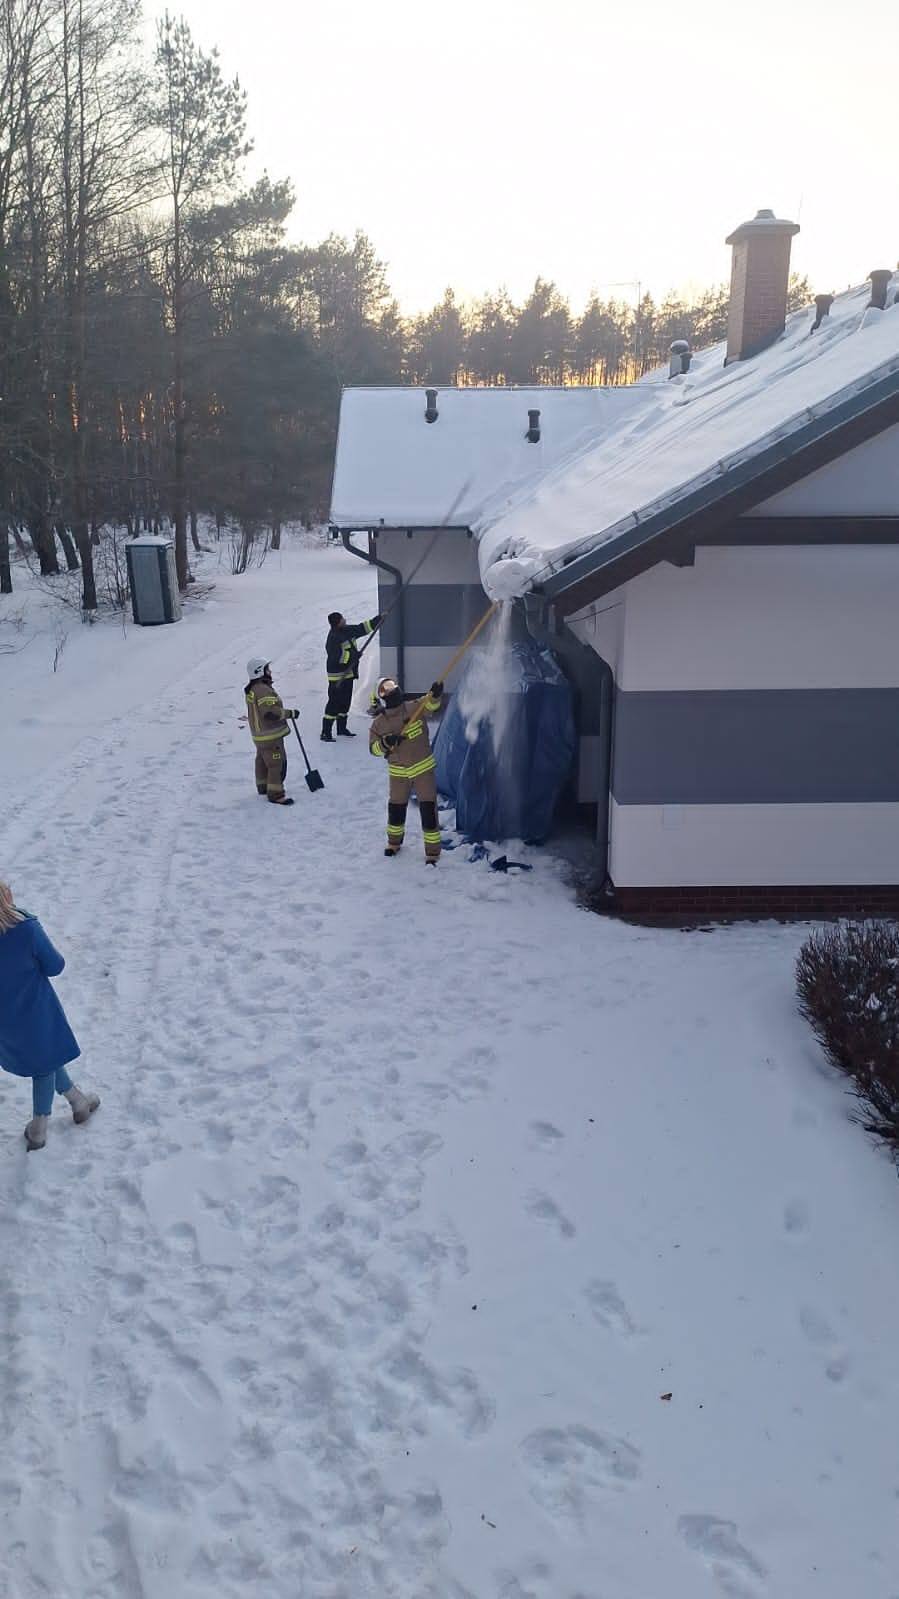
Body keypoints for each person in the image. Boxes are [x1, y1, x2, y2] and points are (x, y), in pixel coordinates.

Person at [0, 882, 100, 1151]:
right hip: (36, 1012)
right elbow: (55, 965)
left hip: (5, 1021)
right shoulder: (26, 929)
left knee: (45, 1056)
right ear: (4, 895)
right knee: (43, 1065)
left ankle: (78, 1102)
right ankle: (38, 1129)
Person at [369, 676, 445, 863]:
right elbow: (373, 749)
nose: (391, 690)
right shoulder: (378, 724)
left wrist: (435, 695)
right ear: (381, 698)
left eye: (392, 685)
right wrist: (386, 743)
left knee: (428, 809)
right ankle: (393, 843)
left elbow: (431, 705)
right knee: (396, 809)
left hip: (423, 770)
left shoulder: (414, 707)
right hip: (398, 773)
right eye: (384, 689)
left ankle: (432, 852)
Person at [321, 610, 381, 741]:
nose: (345, 620)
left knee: (345, 703)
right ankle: (325, 732)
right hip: (337, 677)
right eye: (342, 619)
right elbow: (339, 658)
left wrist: (378, 620)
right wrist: (354, 655)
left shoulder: (347, 630)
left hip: (348, 675)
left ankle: (341, 729)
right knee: (334, 704)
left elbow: (362, 628)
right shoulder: (333, 638)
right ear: (337, 623)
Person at [245, 656, 297, 805]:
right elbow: (269, 713)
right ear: (259, 671)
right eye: (267, 669)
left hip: (259, 736)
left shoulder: (253, 689)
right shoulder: (263, 690)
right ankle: (276, 794)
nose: (270, 671)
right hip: (270, 736)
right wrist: (290, 713)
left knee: (262, 760)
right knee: (276, 763)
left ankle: (262, 786)